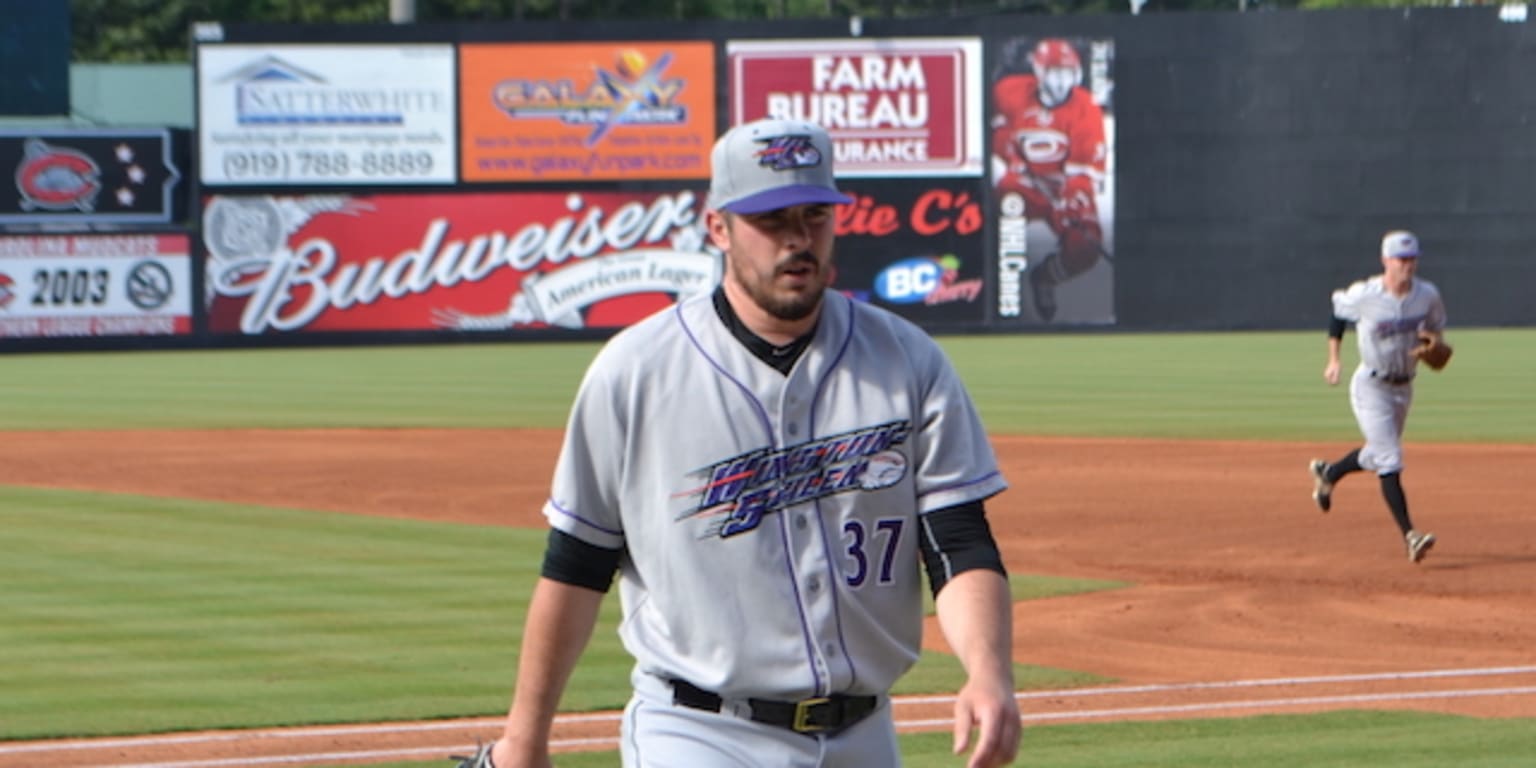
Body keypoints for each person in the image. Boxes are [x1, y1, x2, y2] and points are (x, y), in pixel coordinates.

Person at [466, 118, 1021, 768]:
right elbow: (577, 564)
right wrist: (525, 740)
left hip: (864, 734)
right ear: (718, 228)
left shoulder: (907, 360)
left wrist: (989, 672)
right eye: (770, 218)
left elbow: (957, 541)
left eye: (815, 214)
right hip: (700, 733)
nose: (797, 238)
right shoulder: (635, 373)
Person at [1308, 229, 1447, 563]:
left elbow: (1437, 330)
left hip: (1404, 387)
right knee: (1390, 459)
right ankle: (1411, 536)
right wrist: (1334, 359)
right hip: (1371, 386)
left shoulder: (1427, 295)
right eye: (1401, 259)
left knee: (1378, 454)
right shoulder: (1364, 294)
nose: (1407, 266)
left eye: (1412, 259)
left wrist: (1434, 345)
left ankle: (1329, 474)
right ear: (1386, 260)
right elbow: (1338, 314)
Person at [991, 38, 1108, 323]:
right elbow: (986, 128)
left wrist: (1071, 202)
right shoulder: (1010, 92)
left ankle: (1044, 278)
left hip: (1064, 187)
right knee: (994, 206)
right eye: (1055, 72)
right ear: (1039, 71)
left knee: (1085, 247)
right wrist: (1006, 150)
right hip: (1024, 183)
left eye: (1067, 72)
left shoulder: (1086, 108)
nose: (1060, 80)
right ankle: (991, 284)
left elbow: (1082, 172)